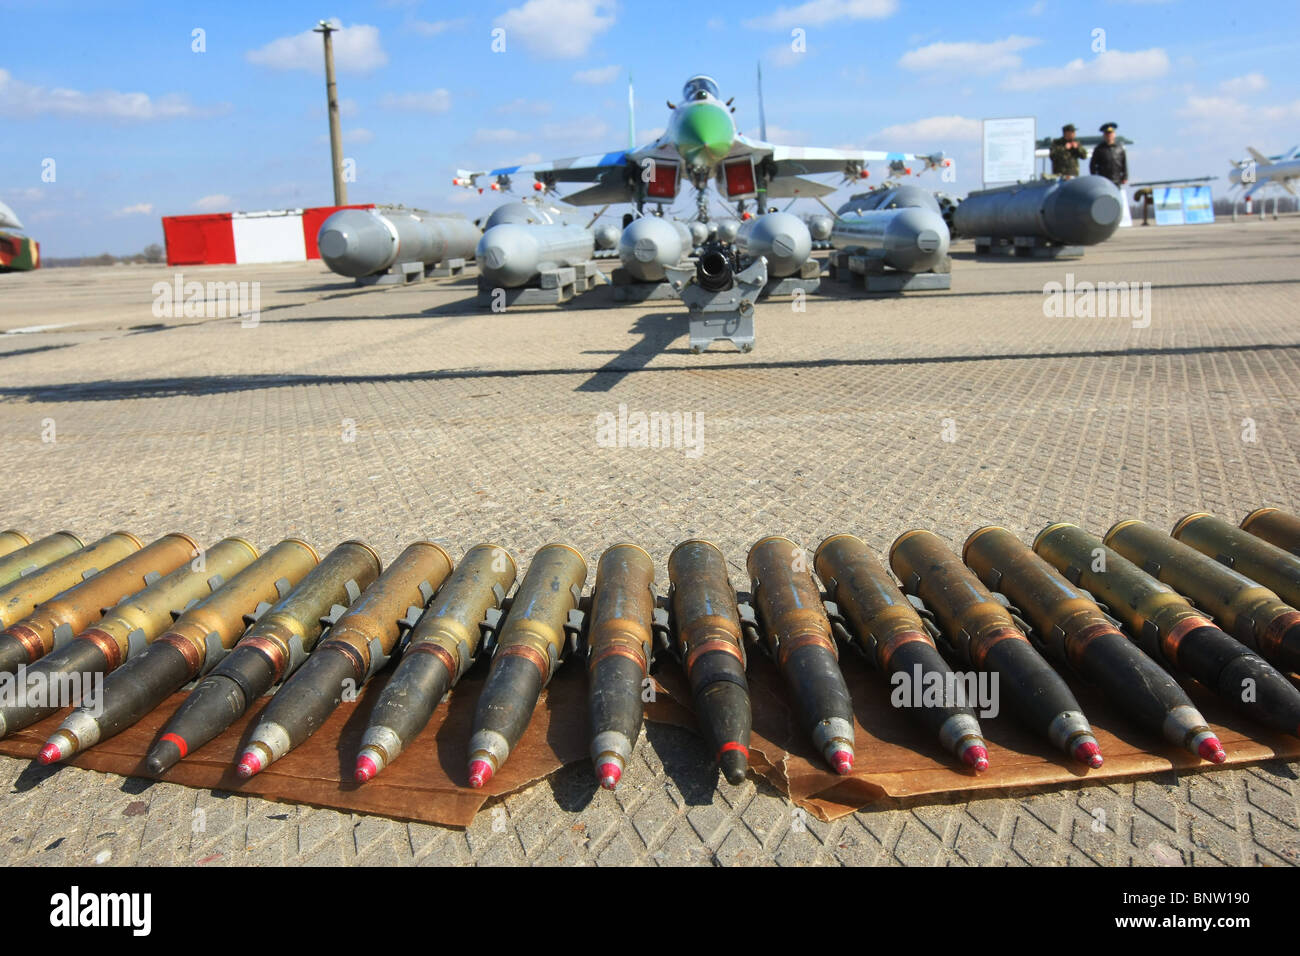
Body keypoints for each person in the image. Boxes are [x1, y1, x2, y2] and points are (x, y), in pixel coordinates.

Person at [1090, 122, 1128, 186]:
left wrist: (1125, 177)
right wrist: (1096, 178)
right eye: (1107, 133)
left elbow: (1124, 164)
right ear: (1104, 135)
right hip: (1103, 181)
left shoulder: (1120, 149)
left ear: (1114, 134)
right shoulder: (1099, 149)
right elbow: (1092, 165)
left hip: (1117, 180)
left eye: (1110, 133)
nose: (1109, 135)